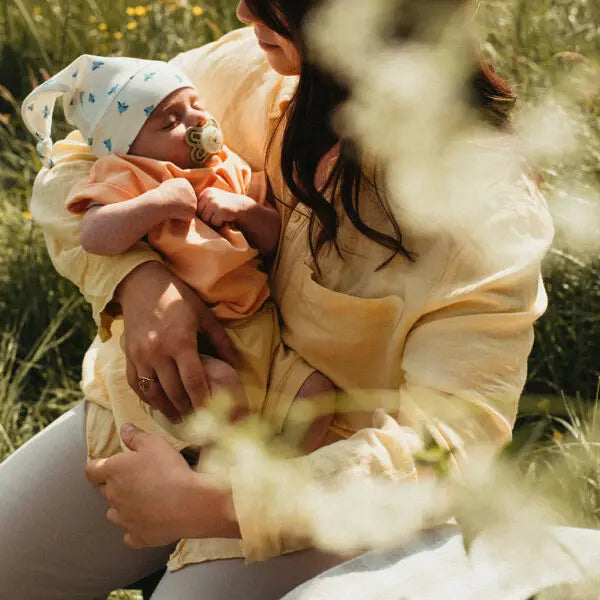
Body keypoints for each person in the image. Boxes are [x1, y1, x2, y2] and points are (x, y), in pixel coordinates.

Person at [0, 1, 554, 599]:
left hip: (313, 476)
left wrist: (218, 504)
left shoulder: (483, 210)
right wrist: (136, 280)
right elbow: (83, 153)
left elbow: (449, 447)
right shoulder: (254, 69)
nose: (241, 11)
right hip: (153, 405)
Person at [20, 53, 334, 456]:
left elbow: (275, 236)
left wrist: (245, 210)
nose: (196, 122)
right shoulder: (129, 175)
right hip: (199, 337)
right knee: (221, 395)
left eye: (197, 107)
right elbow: (95, 235)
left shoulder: (228, 166)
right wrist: (156, 203)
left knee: (316, 394)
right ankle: (237, 473)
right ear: (129, 147)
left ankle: (275, 472)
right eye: (170, 122)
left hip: (260, 327)